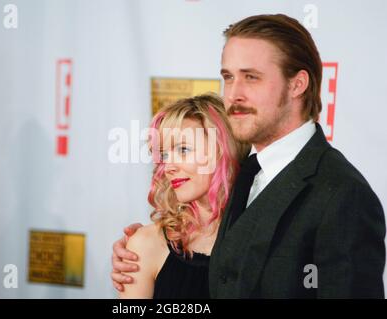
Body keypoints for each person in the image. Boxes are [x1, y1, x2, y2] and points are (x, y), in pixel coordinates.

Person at [112, 14, 386, 298]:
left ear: (297, 84)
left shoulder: (342, 195)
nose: (233, 94)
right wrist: (145, 249)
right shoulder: (243, 175)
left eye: (251, 77)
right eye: (228, 77)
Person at [118, 93, 246, 298]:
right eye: (165, 155)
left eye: (183, 149)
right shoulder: (145, 244)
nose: (169, 167)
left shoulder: (262, 237)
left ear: (223, 150)